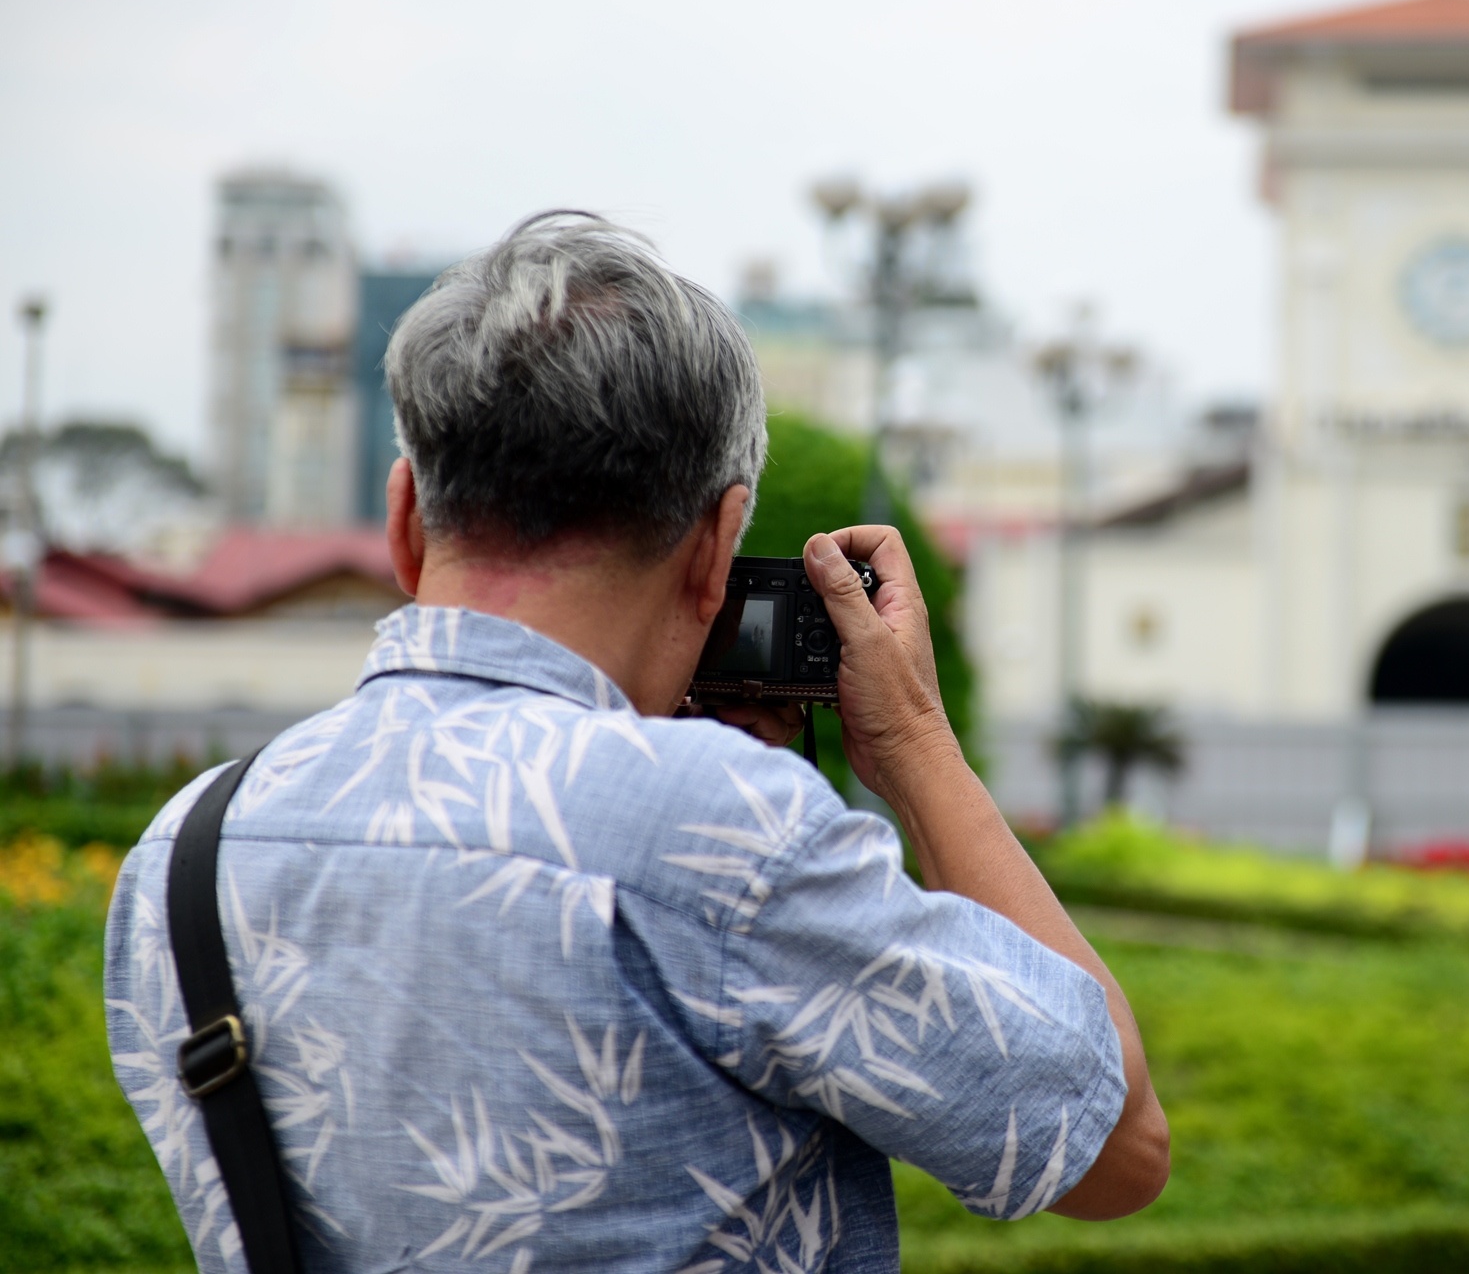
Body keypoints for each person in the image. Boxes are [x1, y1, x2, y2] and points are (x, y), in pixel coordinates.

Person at [103, 211, 1168, 1273]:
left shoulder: (183, 852)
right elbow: (1116, 1145)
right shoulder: (724, 833)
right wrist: (920, 748)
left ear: (404, 525)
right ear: (715, 545)